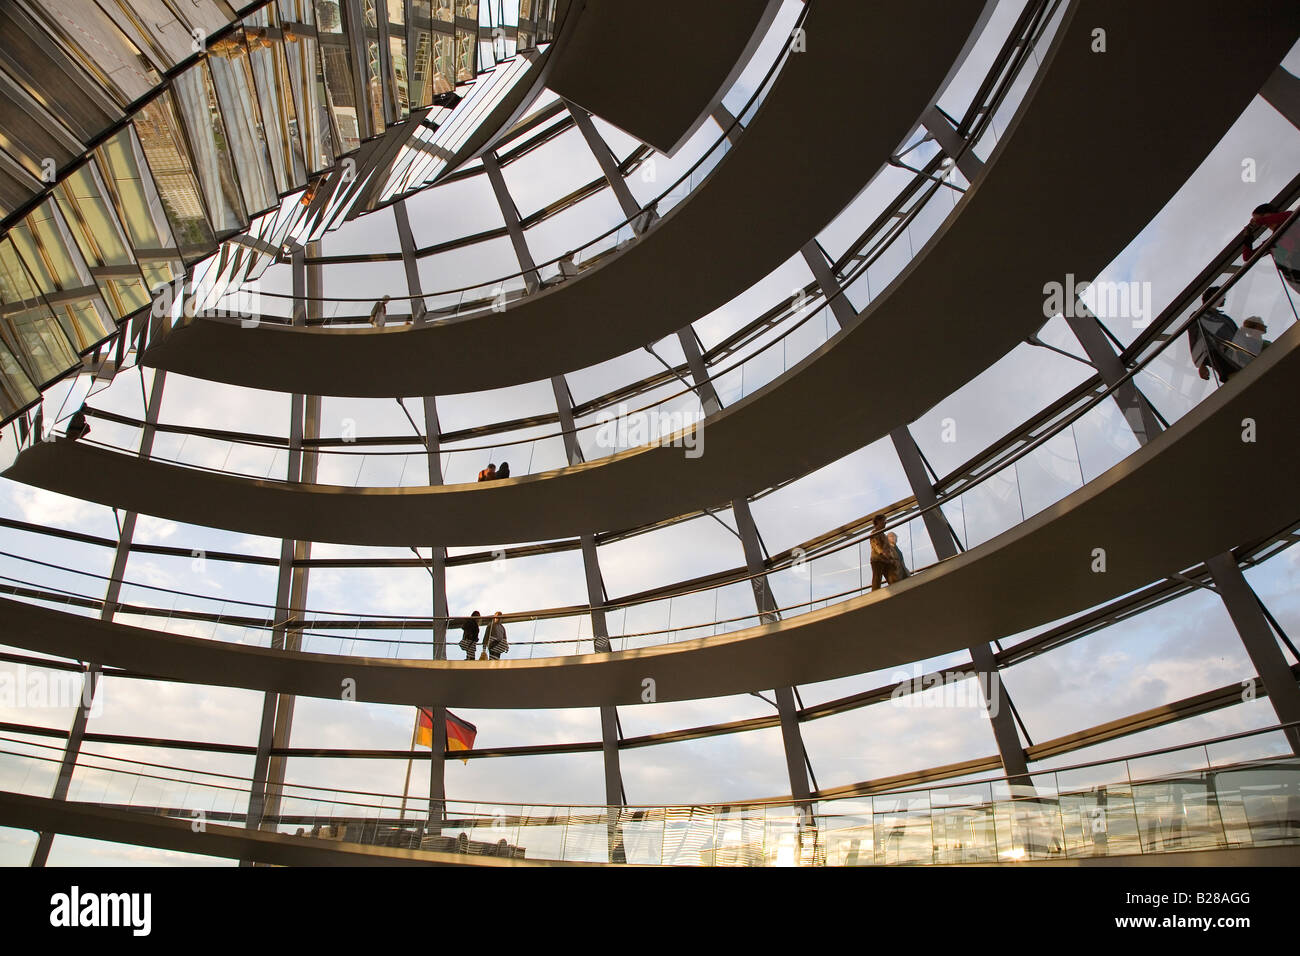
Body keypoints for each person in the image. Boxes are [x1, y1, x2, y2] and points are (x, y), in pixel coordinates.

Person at [1243, 202, 1299, 293]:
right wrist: (1247, 237)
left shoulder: (1290, 218)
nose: (1260, 221)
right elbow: (1248, 257)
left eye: (1262, 215)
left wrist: (1258, 220)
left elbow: (1287, 215)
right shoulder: (1272, 241)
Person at [1187, 287, 1241, 382]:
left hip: (1238, 354)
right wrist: (1201, 364)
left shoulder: (1225, 318)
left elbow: (1239, 336)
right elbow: (1194, 339)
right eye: (1222, 295)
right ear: (1213, 296)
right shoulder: (1199, 315)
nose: (1224, 298)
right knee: (1236, 380)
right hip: (1220, 355)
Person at [869, 514, 901, 591]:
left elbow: (888, 548)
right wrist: (883, 553)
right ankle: (875, 595)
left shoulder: (883, 535)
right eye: (884, 520)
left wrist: (891, 558)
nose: (885, 522)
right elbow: (876, 545)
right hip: (877, 560)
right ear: (878, 521)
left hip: (886, 560)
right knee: (877, 579)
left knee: (892, 578)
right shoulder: (874, 533)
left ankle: (896, 590)